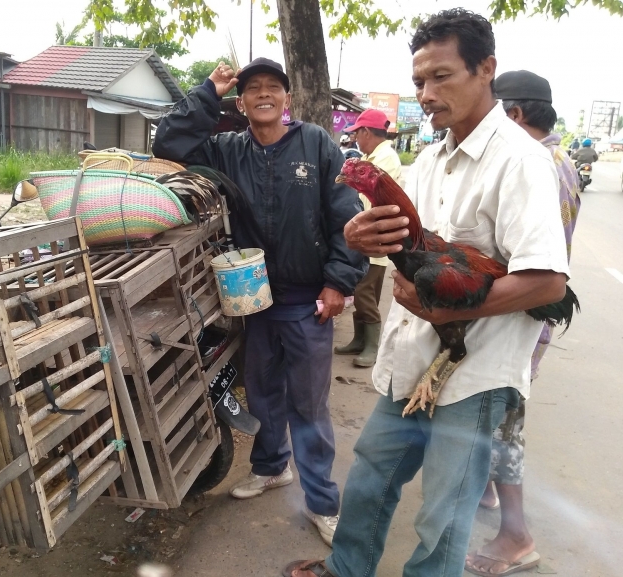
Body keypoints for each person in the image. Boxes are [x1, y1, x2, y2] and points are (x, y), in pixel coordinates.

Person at [283, 9, 570, 577]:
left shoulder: (522, 162)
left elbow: (548, 281)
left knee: (444, 511)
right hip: (416, 361)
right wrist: (356, 235)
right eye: (419, 81)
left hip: (476, 374)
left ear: (485, 69)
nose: (427, 93)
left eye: (442, 76)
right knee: (369, 477)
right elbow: (409, 242)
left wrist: (446, 304)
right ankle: (346, 569)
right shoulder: (431, 157)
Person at [152, 57, 365, 547]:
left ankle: (323, 502)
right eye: (253, 89)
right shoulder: (227, 150)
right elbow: (170, 144)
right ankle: (271, 468)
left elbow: (345, 216)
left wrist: (338, 281)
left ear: (285, 98)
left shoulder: (316, 144)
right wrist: (209, 90)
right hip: (252, 297)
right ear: (242, 102)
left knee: (308, 404)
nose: (263, 94)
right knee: (264, 391)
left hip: (308, 299)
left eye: (273, 87)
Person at [463, 70, 581, 577]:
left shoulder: (533, 162)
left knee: (504, 421)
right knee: (498, 418)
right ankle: (486, 489)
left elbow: (533, 272)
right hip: (525, 313)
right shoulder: (557, 158)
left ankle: (517, 536)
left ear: (513, 114)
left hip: (518, 316)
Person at [335, 109, 402, 367]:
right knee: (362, 290)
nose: (355, 139)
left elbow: (367, 197)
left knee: (364, 291)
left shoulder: (385, 158)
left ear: (365, 131)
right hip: (367, 235)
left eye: (356, 134)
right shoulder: (371, 156)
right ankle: (360, 339)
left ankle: (373, 346)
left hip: (374, 237)